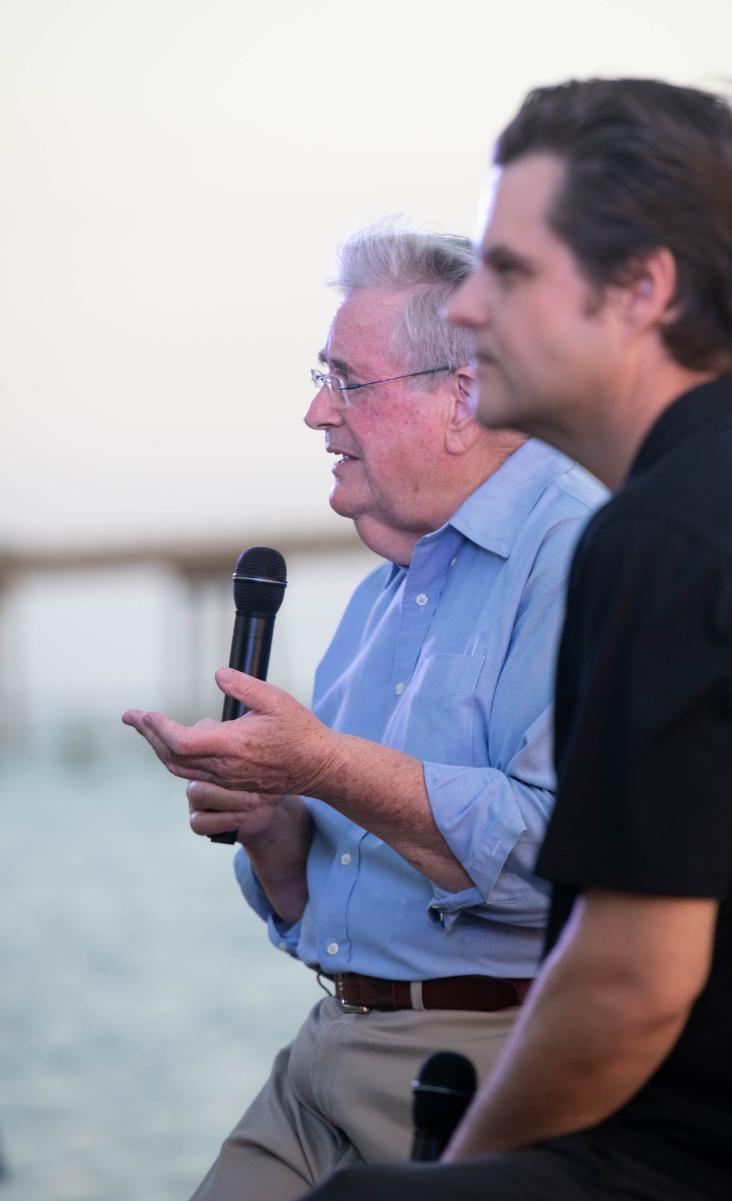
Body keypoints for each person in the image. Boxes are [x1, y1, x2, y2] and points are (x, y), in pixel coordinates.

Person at [306, 79, 732, 1201]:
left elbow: (627, 985)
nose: (469, 311)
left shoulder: (662, 537)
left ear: (641, 289)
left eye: (509, 272)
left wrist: (457, 1178)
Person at [121, 226, 606, 1201]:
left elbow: (572, 858)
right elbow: (321, 901)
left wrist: (320, 765)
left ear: (461, 397)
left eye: (345, 380)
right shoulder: (390, 584)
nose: (314, 412)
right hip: (323, 1053)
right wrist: (275, 828)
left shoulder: (583, 554)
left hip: (475, 1070)